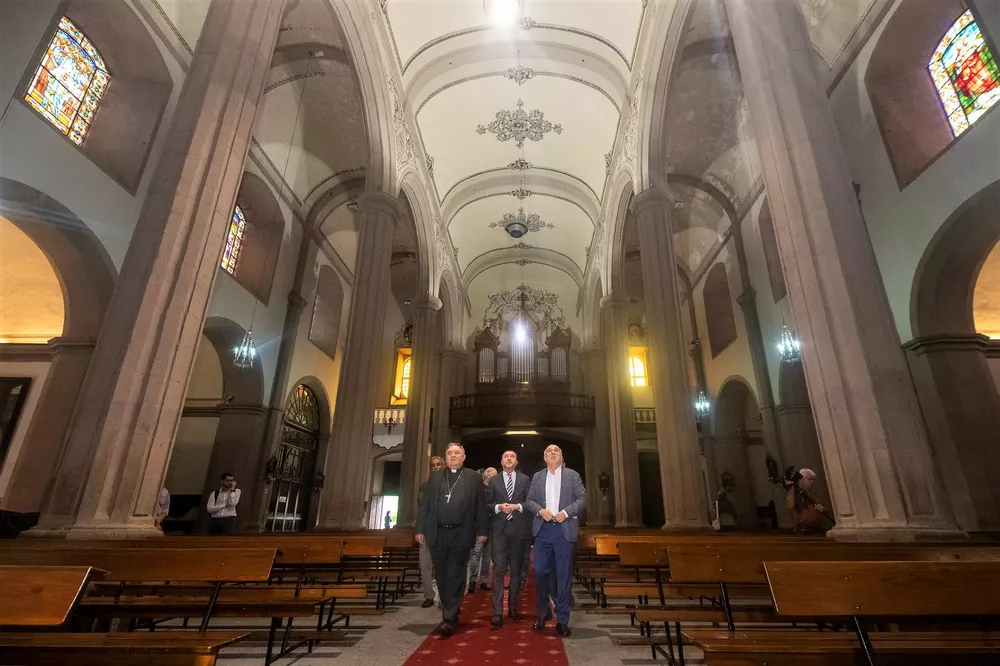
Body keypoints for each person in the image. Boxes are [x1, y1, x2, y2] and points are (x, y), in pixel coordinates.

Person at [415, 443, 489, 638]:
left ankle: (448, 618)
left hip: (461, 533)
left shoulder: (473, 477)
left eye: (457, 453)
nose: (453, 456)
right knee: (441, 574)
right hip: (437, 533)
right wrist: (419, 528)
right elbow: (425, 505)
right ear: (446, 457)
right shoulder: (437, 477)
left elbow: (480, 505)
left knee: (456, 574)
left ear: (464, 457)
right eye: (449, 453)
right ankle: (452, 609)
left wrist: (483, 530)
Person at [525, 444, 586, 637]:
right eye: (549, 451)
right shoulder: (537, 476)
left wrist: (567, 512)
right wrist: (539, 511)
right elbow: (529, 500)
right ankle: (543, 613)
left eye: (557, 450)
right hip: (543, 531)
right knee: (541, 572)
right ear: (544, 457)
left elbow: (582, 499)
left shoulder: (572, 476)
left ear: (561, 456)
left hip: (563, 530)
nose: (553, 452)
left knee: (564, 575)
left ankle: (562, 620)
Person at [486, 451, 531, 627]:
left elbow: (531, 502)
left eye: (512, 456)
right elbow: (487, 504)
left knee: (516, 571)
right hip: (499, 531)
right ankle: (497, 612)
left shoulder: (525, 480)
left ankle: (513, 608)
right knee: (498, 571)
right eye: (506, 456)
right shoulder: (494, 480)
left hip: (519, 530)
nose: (509, 459)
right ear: (501, 461)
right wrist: (498, 507)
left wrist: (518, 506)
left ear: (517, 461)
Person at [416, 455, 445, 608]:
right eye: (433, 465)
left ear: (443, 466)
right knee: (425, 565)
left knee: (441, 565)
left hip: (442, 531)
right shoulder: (424, 486)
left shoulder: (448, 485)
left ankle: (442, 597)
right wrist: (419, 530)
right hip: (427, 530)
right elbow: (422, 508)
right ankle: (428, 595)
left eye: (438, 464)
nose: (435, 467)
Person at [467, 467, 497, 593]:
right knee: (476, 553)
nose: (492, 476)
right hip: (478, 525)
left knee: (487, 555)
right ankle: (473, 580)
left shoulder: (496, 490)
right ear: (485, 475)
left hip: (492, 525)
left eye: (495, 475)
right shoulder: (477, 488)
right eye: (490, 474)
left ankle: (484, 580)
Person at [786, 468, 834, 534]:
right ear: (801, 479)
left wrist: (822, 508)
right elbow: (791, 507)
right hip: (804, 530)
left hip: (818, 528)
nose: (812, 481)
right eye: (809, 479)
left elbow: (824, 509)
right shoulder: (793, 493)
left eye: (813, 480)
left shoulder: (813, 494)